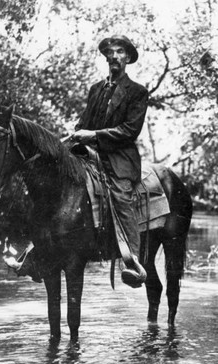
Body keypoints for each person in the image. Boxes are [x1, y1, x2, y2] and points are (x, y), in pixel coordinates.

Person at [69, 35, 148, 288]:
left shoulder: (137, 92)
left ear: (127, 58)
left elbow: (129, 131)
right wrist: (78, 134)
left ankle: (132, 262)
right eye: (110, 52)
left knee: (121, 197)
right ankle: (37, 252)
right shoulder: (95, 89)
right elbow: (84, 123)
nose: (114, 56)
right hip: (90, 155)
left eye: (120, 51)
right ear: (106, 57)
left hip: (120, 159)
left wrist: (94, 135)